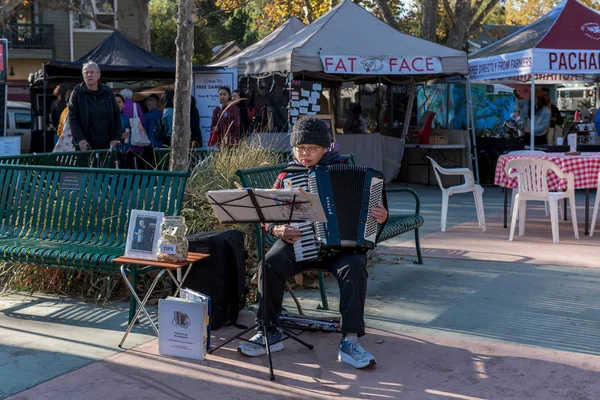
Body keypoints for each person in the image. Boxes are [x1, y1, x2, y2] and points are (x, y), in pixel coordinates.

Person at [237, 117, 388, 369]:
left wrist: (382, 216)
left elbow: (376, 210)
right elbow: (265, 214)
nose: (305, 154)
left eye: (312, 149)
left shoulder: (343, 167)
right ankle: (269, 331)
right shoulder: (287, 176)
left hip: (342, 247)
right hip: (299, 242)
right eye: (300, 148)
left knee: (354, 268)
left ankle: (350, 341)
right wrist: (277, 228)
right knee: (270, 264)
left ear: (325, 148)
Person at [68, 61, 121, 150]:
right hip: (85, 145)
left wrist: (116, 138)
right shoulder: (77, 93)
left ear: (98, 75)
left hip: (108, 144)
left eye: (92, 72)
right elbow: (72, 118)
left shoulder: (107, 92)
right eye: (86, 72)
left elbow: (117, 116)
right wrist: (80, 139)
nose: (89, 75)